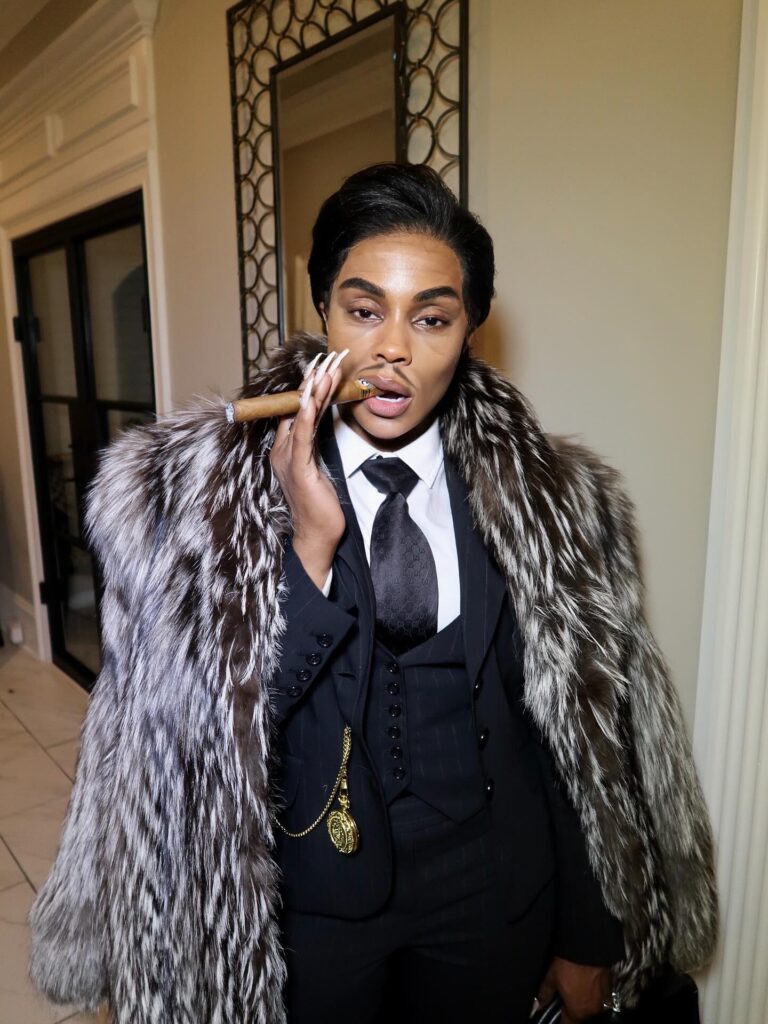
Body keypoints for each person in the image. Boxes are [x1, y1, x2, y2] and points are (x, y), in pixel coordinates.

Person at [28, 163, 717, 1024]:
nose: (394, 348)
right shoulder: (195, 504)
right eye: (364, 311)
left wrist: (587, 929)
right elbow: (193, 746)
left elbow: (577, 739)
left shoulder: (552, 504)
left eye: (431, 318)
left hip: (492, 891)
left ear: (468, 330)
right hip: (308, 905)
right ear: (323, 309)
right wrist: (308, 553)